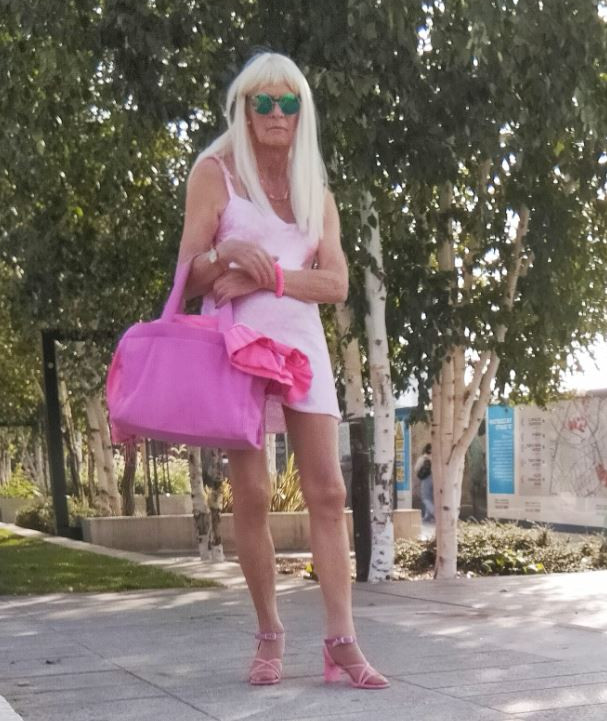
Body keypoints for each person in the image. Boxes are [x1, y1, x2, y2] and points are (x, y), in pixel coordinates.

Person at [177, 52, 389, 689]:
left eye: (288, 103)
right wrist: (223, 255)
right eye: (263, 102)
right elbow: (187, 277)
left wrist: (268, 276)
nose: (276, 113)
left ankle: (341, 641)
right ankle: (269, 633)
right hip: (236, 349)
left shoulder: (314, 192)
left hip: (302, 350)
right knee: (253, 495)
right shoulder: (215, 174)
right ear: (243, 109)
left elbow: (337, 283)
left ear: (302, 113)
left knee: (329, 493)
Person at [415, 443, 434, 523]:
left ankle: (435, 513)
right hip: (436, 479)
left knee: (425, 498)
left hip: (426, 479)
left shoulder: (423, 458)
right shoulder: (436, 458)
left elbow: (416, 468)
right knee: (431, 498)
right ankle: (427, 516)